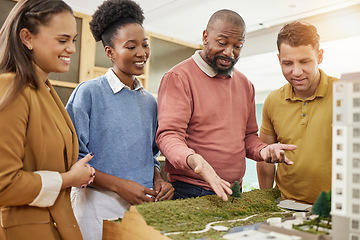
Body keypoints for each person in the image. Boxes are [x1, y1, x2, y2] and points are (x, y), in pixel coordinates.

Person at [156, 9, 297, 202]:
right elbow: (168, 136)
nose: (229, 52)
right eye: (222, 43)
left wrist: (264, 150)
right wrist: (195, 160)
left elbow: (248, 137)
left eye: (237, 46)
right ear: (205, 36)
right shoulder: (179, 77)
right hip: (190, 191)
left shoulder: (245, 85)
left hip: (233, 192)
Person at [65, 0, 174, 239]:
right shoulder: (88, 93)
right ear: (109, 52)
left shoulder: (150, 102)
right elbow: (73, 160)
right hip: (95, 205)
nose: (141, 53)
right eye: (131, 46)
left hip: (140, 207)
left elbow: (150, 157)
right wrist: (119, 185)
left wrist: (159, 180)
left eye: (145, 45)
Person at [0, 0, 96, 239]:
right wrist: (67, 179)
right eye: (62, 40)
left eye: (73, 40)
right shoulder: (10, 87)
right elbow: (4, 185)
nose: (72, 49)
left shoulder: (45, 89)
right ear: (27, 38)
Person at [256, 21, 338, 205]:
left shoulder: (345, 93)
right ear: (279, 60)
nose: (296, 72)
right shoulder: (273, 100)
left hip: (336, 209)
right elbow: (264, 158)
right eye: (287, 63)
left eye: (304, 61)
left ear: (320, 56)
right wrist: (265, 201)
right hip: (286, 206)